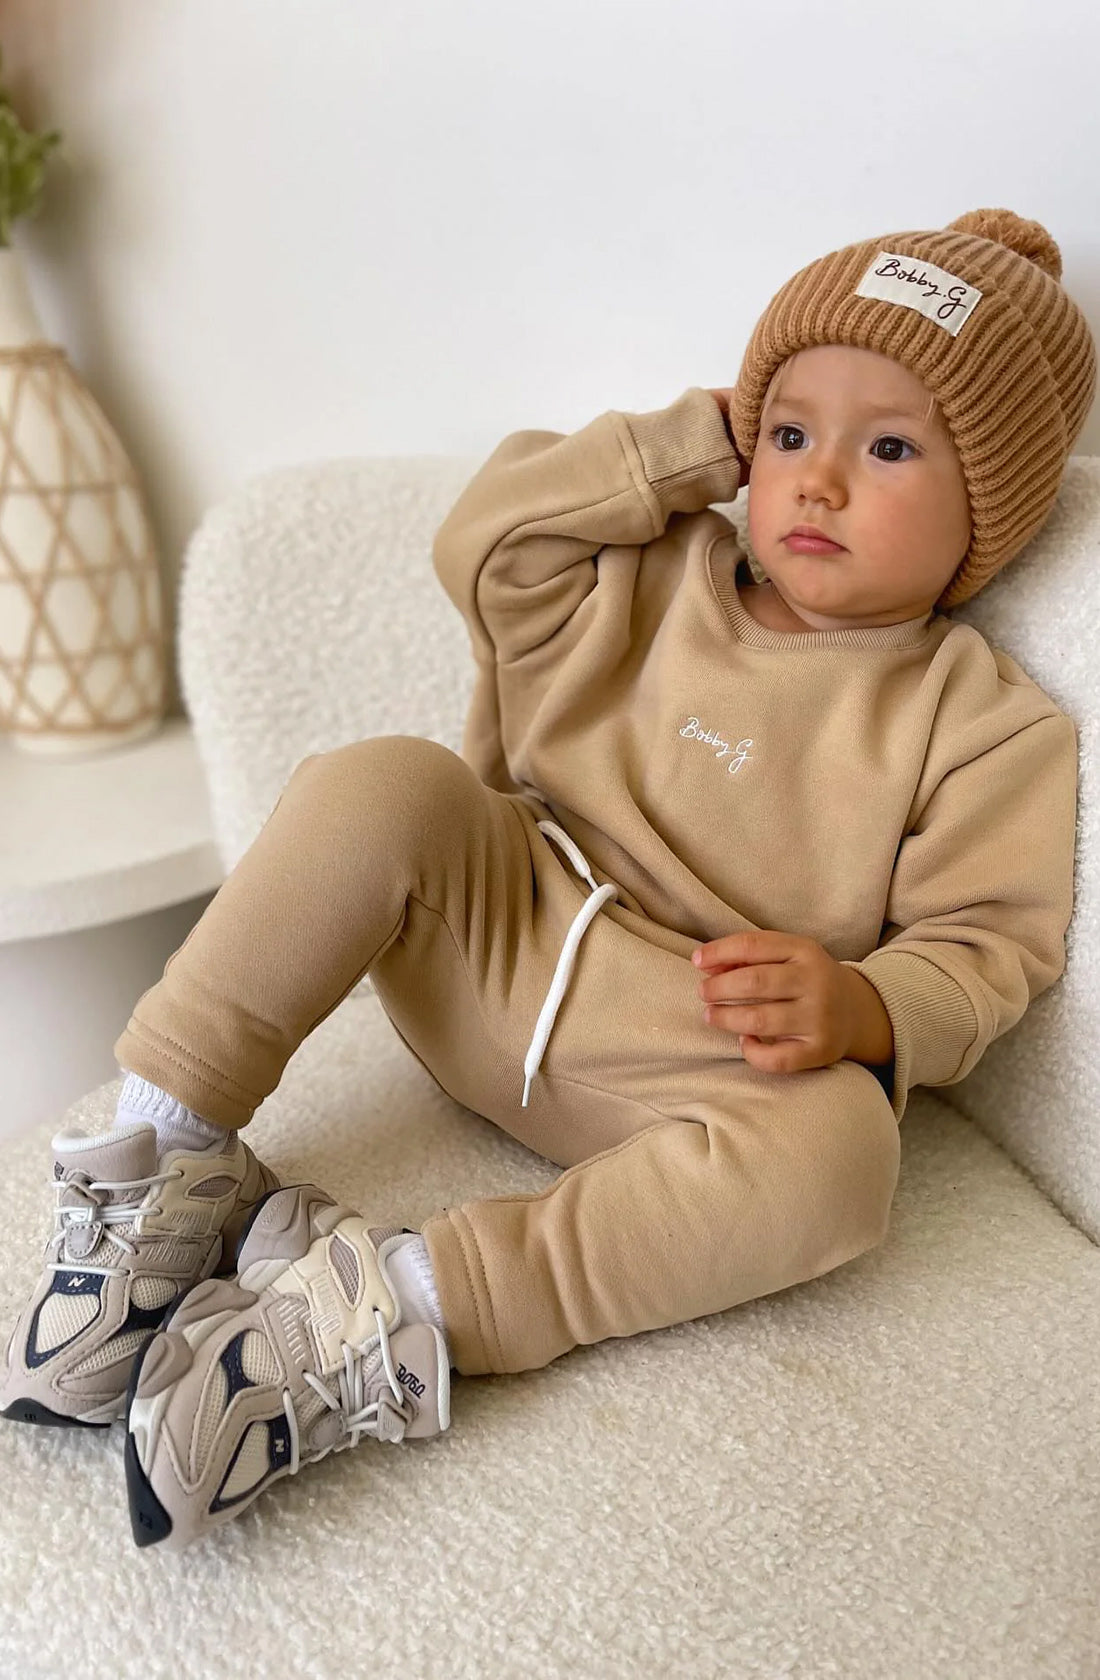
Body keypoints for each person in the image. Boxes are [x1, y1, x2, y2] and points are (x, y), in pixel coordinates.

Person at [2, 207, 1093, 1553]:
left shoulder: (983, 722)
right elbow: (487, 540)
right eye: (792, 430)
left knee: (848, 1156)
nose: (816, 482)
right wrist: (691, 445)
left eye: (889, 448)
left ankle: (388, 1308)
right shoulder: (645, 574)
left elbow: (992, 945)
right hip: (490, 943)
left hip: (691, 1057)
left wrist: (867, 1011)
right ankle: (162, 1159)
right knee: (382, 783)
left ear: (994, 499)